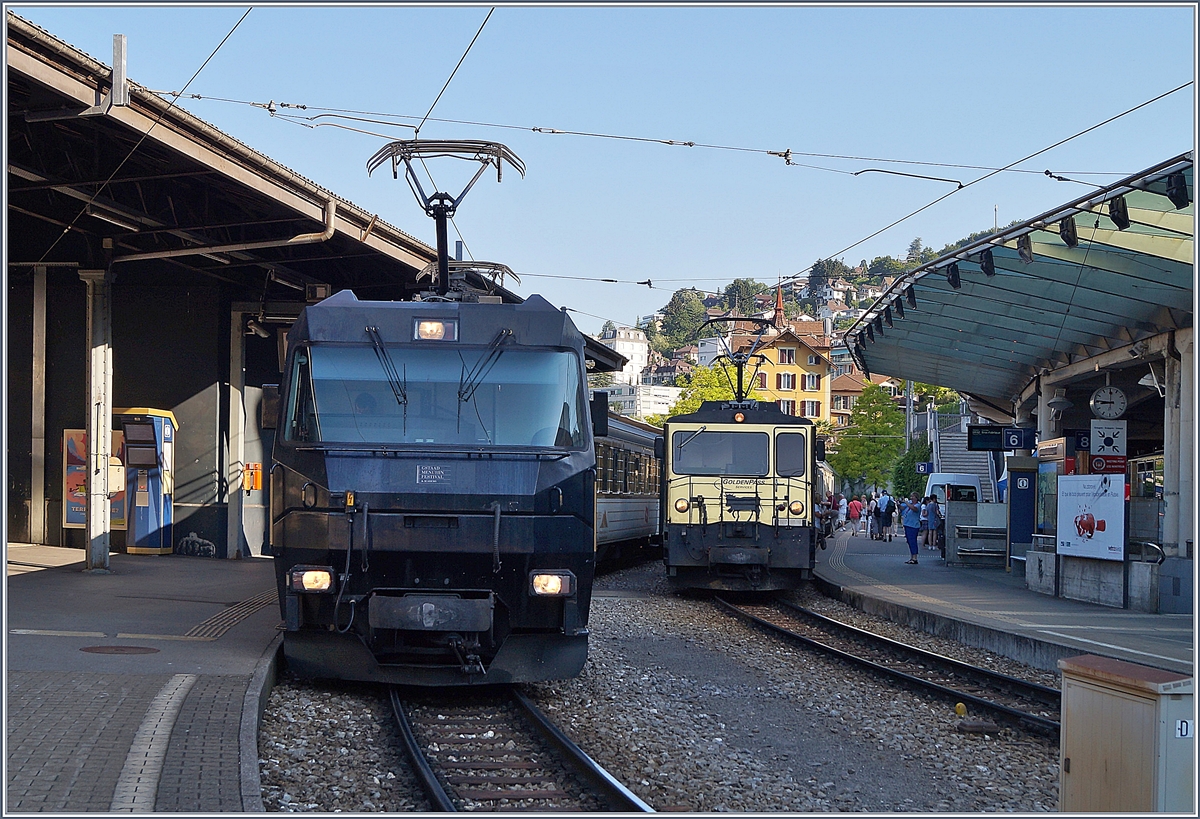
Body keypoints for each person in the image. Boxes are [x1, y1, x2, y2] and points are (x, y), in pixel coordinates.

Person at [901, 492, 922, 564]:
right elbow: (902, 507)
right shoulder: (909, 504)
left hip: (913, 525)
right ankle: (912, 557)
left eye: (913, 497)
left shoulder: (918, 505)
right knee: (909, 541)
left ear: (916, 498)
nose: (911, 498)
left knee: (913, 541)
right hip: (907, 524)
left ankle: (915, 557)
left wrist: (907, 503)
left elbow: (914, 509)